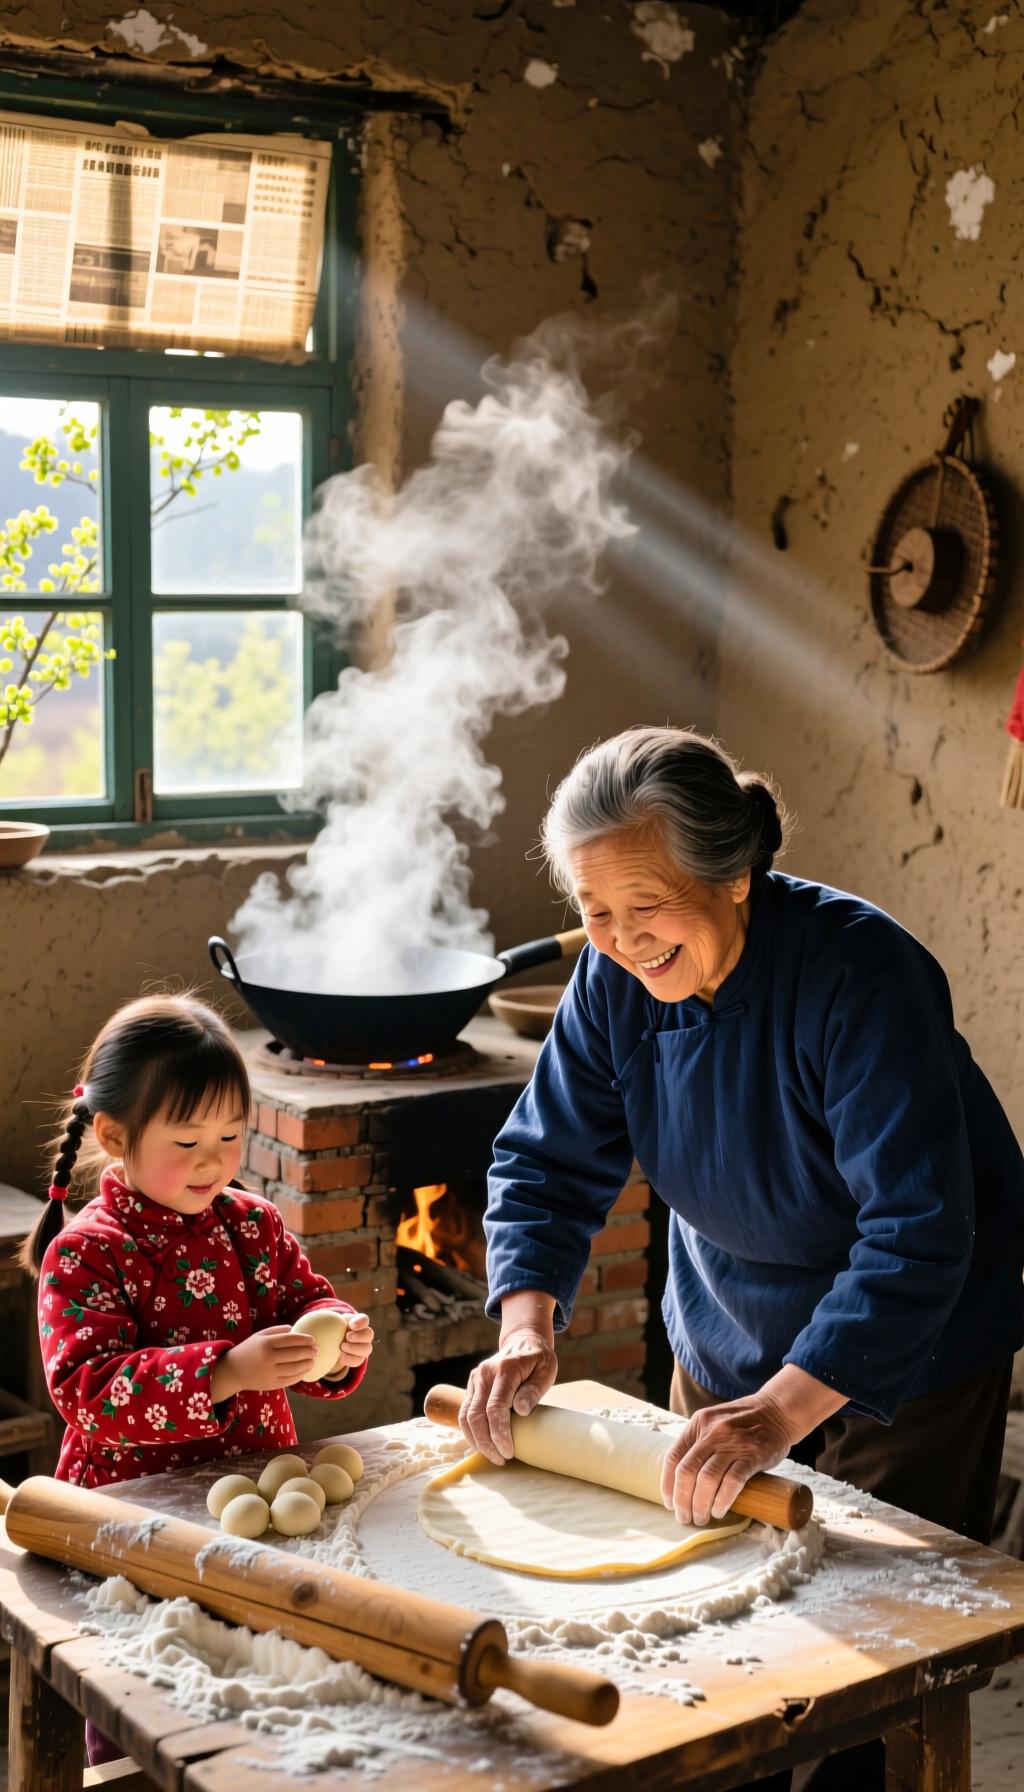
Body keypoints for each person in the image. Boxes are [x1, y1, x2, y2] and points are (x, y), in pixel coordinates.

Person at [463, 725, 1024, 1791]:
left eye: (645, 904)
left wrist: (780, 1412)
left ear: (733, 875)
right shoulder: (613, 981)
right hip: (725, 1323)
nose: (620, 939)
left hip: (907, 1350)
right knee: (722, 1631)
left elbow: (916, 1229)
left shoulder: (861, 973)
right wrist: (525, 1327)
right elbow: (544, 1159)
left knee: (874, 1658)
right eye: (593, 911)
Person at [19, 993, 374, 1768]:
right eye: (187, 1141)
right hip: (132, 1521)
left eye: (230, 1136)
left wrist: (338, 1334)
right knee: (144, 1692)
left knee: (245, 1676)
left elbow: (305, 1302)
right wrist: (228, 1371)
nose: (214, 1161)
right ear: (115, 1136)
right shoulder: (86, 1252)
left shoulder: (253, 1224)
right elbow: (88, 1390)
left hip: (252, 1504)